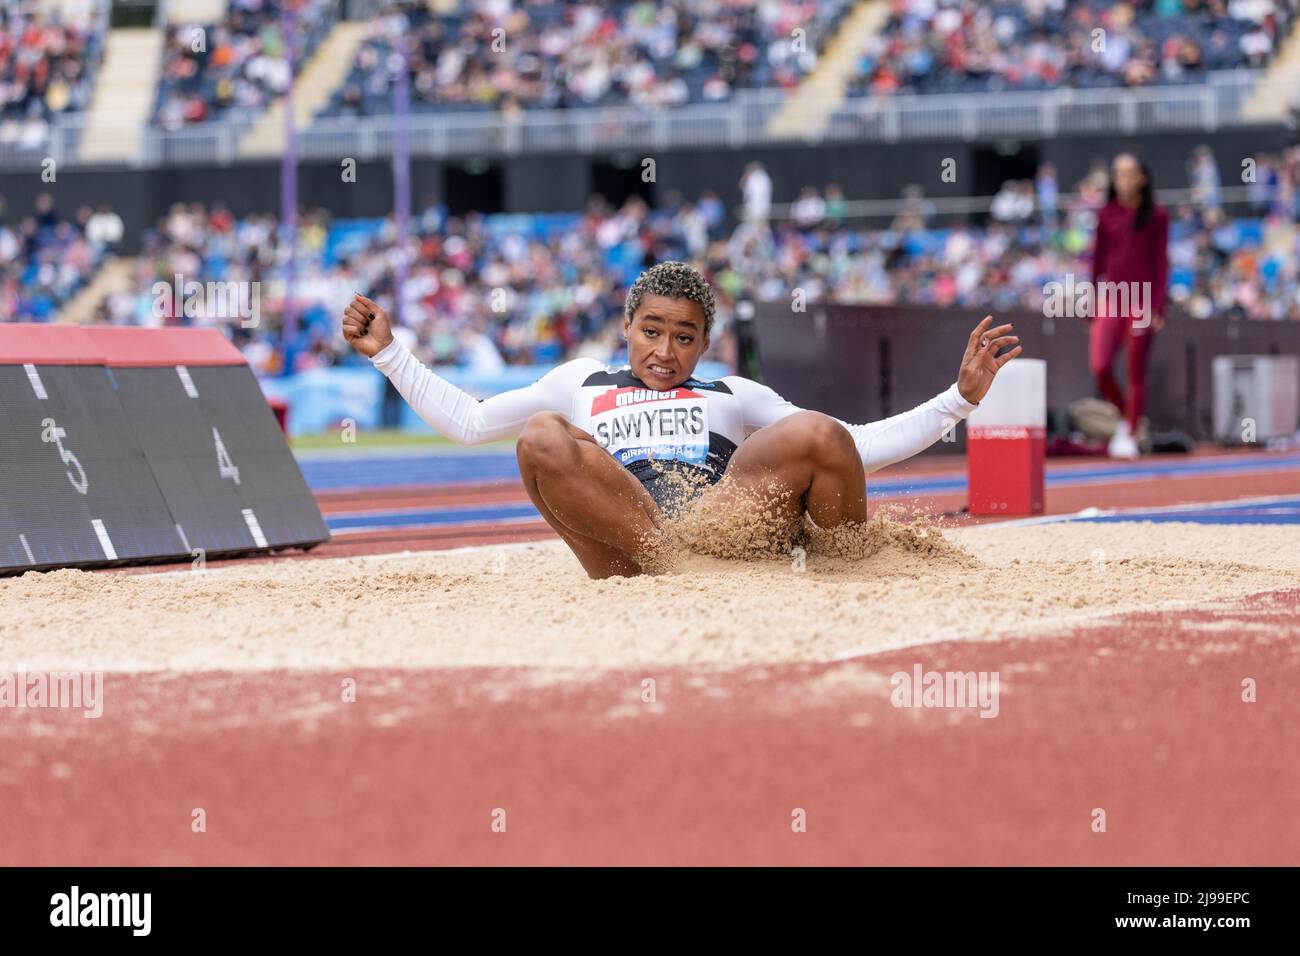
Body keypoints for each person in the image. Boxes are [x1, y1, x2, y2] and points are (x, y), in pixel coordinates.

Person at [341, 262, 1021, 579]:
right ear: (626, 327)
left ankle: (851, 567)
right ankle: (672, 564)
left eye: (685, 338)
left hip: (721, 526)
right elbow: (468, 420)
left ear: (706, 342)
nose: (665, 354)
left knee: (815, 431)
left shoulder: (733, 391)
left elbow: (850, 446)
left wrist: (957, 401)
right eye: (652, 332)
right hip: (629, 545)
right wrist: (391, 354)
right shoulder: (577, 379)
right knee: (542, 435)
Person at [1090, 153, 1169, 459]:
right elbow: (1096, 260)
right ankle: (1127, 418)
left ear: (1142, 178)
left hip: (1142, 299)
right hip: (1111, 296)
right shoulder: (1106, 214)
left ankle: (1132, 431)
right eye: (1118, 174)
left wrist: (1158, 307)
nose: (1122, 180)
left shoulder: (1157, 215)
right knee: (1100, 366)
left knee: (1135, 370)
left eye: (1128, 173)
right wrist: (1091, 302)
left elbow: (1162, 262)